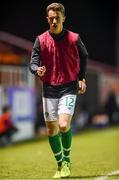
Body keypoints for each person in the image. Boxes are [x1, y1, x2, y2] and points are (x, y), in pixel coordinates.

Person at [29, 2, 88, 178]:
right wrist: (36, 69)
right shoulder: (40, 40)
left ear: (63, 18)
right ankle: (60, 164)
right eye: (51, 18)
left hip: (69, 86)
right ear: (47, 19)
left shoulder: (74, 38)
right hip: (48, 88)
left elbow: (84, 56)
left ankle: (67, 160)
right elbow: (33, 61)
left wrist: (82, 78)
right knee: (52, 130)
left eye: (57, 18)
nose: (54, 21)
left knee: (63, 125)